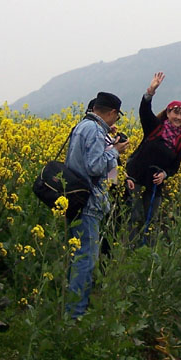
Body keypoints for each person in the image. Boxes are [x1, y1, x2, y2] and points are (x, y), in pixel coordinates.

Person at [64, 91, 129, 318]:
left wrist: (112, 154)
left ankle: (71, 308)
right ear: (112, 113)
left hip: (79, 200)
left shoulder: (83, 126)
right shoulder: (93, 130)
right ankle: (74, 315)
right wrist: (116, 152)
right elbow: (94, 166)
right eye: (117, 116)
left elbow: (105, 173)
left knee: (78, 257)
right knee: (85, 260)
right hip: (88, 203)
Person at [124, 72, 181, 241]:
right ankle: (126, 252)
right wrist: (151, 91)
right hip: (135, 177)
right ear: (168, 113)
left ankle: (146, 254)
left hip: (154, 185)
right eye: (176, 113)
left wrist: (164, 174)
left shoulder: (180, 141)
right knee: (132, 216)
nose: (179, 117)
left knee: (150, 220)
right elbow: (144, 110)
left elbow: (174, 167)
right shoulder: (155, 127)